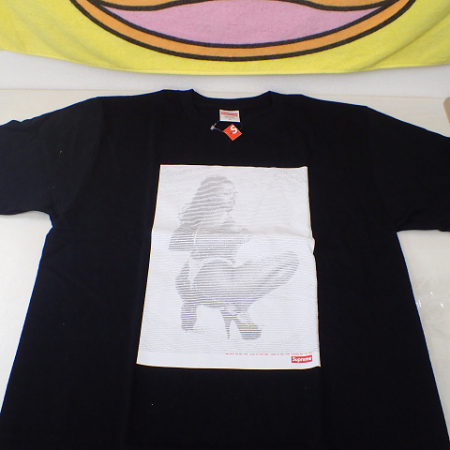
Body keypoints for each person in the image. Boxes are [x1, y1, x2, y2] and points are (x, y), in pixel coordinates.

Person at [169, 175, 299, 339]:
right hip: (214, 282)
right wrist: (236, 236)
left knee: (273, 264)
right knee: (290, 260)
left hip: (197, 284)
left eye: (234, 193)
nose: (233, 197)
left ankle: (211, 305)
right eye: (226, 193)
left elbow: (182, 244)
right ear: (211, 196)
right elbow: (198, 243)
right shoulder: (216, 215)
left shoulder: (211, 216)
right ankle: (237, 308)